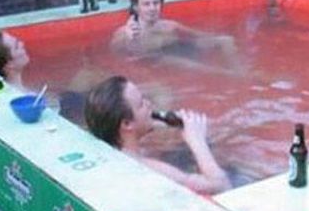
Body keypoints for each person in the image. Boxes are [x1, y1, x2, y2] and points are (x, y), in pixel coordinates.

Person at [84, 75, 231, 194]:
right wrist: (197, 141)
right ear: (127, 124)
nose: (149, 103)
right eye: (141, 104)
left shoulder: (110, 153)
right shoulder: (150, 170)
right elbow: (222, 186)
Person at [110, 0, 239, 73]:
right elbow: (114, 54)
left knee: (226, 40)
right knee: (176, 61)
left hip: (181, 49)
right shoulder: (125, 32)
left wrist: (219, 36)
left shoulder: (169, 26)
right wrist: (128, 40)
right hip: (158, 60)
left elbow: (201, 35)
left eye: (156, 3)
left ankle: (240, 71)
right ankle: (231, 76)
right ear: (136, 7)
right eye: (146, 4)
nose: (152, 8)